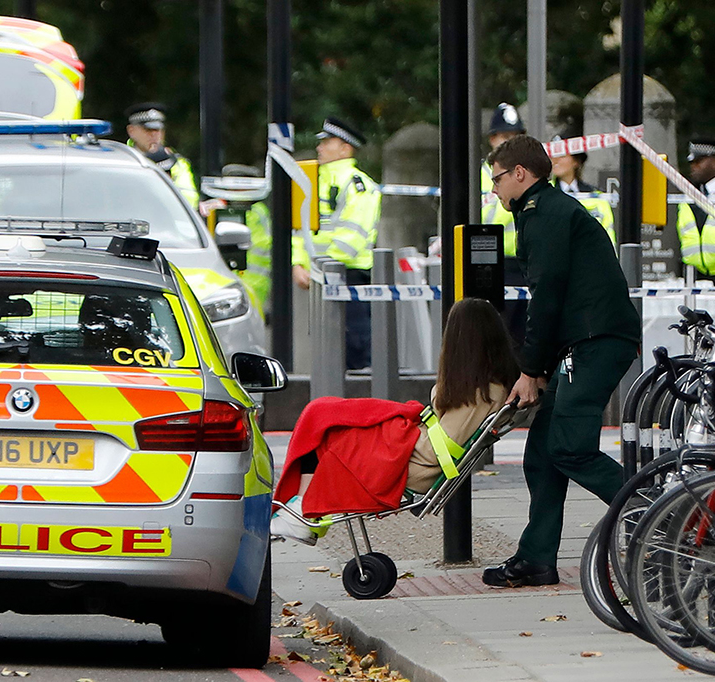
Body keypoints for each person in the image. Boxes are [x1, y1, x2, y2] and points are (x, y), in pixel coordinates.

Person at [481, 135, 641, 588]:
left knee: (569, 447)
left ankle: (661, 514)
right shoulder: (545, 211)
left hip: (595, 342)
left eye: (496, 179)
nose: (493, 189)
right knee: (542, 455)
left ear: (519, 174)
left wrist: (531, 371)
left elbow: (546, 298)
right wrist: (541, 368)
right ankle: (536, 559)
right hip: (584, 341)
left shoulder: (544, 214)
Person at [270, 298, 519, 545]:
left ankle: (300, 511)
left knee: (328, 425)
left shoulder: (475, 390)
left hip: (417, 459)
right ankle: (302, 509)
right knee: (327, 417)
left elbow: (437, 432)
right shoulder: (492, 387)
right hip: (423, 452)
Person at [291, 117, 381, 370]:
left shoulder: (357, 184)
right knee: (327, 352)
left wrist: (320, 267)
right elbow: (300, 228)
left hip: (348, 275)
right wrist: (298, 263)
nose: (319, 148)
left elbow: (352, 233)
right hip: (321, 277)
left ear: (345, 148)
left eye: (327, 143)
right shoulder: (311, 182)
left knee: (354, 348)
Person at [482, 103, 529, 349]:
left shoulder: (525, 175)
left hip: (523, 262)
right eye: (504, 138)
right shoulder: (479, 175)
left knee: (523, 334)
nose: (509, 143)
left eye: (515, 137)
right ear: (492, 139)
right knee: (497, 336)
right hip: (490, 262)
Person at [677, 139, 715, 308]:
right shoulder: (688, 196)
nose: (693, 167)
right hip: (696, 277)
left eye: (698, 161)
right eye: (691, 162)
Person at [124, 102, 199, 209]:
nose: (154, 135)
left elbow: (190, 200)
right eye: (148, 130)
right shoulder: (122, 160)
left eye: (158, 130)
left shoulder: (176, 163)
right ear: (131, 131)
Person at [221, 164, 272, 314]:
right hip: (236, 283)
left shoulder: (256, 214)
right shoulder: (228, 212)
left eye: (236, 188)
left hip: (254, 284)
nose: (232, 193)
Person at [550, 129, 616, 246]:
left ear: (576, 161)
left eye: (562, 155)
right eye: (553, 154)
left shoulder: (596, 197)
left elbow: (608, 238)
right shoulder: (545, 193)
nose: (555, 160)